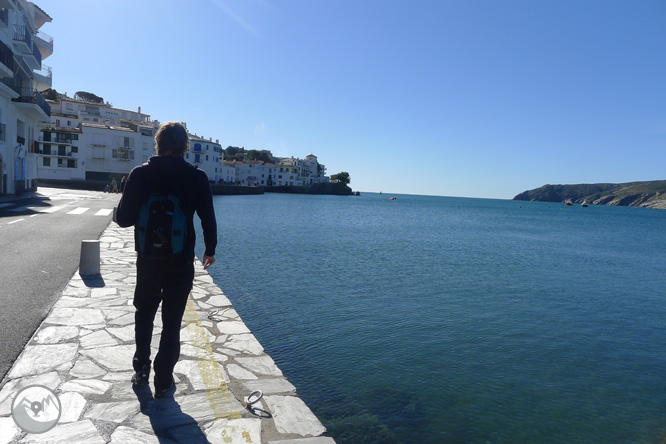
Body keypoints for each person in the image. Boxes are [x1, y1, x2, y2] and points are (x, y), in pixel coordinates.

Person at [115, 121, 217, 398]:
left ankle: (141, 369)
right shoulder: (197, 177)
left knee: (144, 313)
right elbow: (208, 217)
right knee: (172, 322)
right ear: (185, 146)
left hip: (148, 259)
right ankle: (164, 380)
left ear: (158, 143)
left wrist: (118, 207)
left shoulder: (139, 174)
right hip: (181, 260)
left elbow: (123, 219)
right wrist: (210, 249)